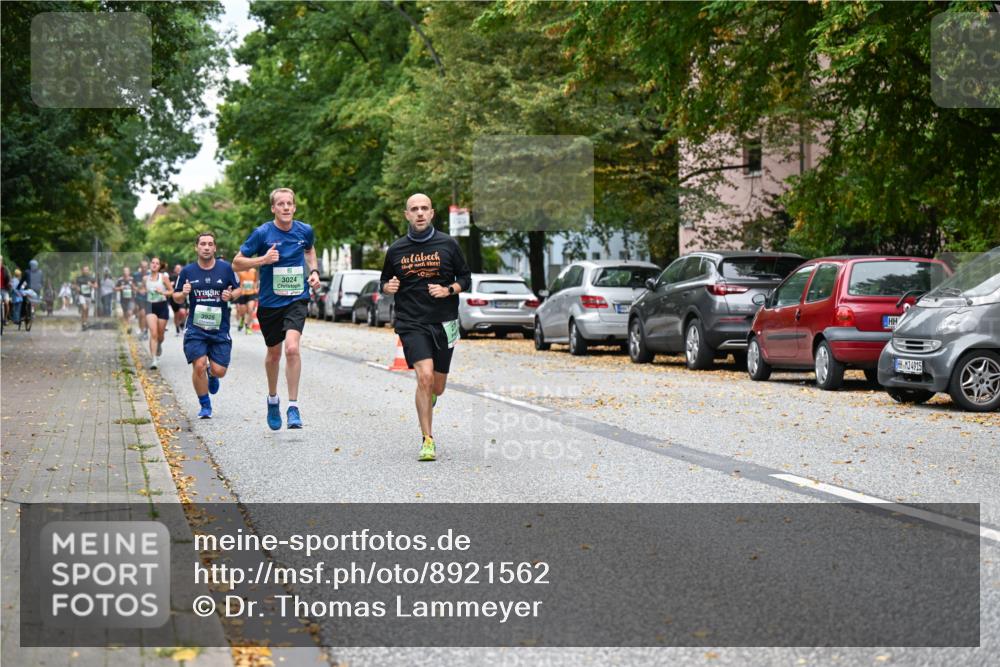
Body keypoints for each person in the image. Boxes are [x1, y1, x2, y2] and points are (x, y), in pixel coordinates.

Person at [380, 193, 471, 461]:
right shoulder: (396, 249)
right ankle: (427, 440)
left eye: (424, 209)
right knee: (425, 377)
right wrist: (388, 287)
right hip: (411, 322)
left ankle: (429, 397)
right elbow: (384, 281)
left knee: (438, 387)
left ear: (432, 213)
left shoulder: (448, 244)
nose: (419, 213)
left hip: (444, 320)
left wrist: (448, 289)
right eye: (414, 209)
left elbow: (465, 278)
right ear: (407, 214)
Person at [232, 187, 321, 430]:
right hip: (270, 303)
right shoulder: (262, 233)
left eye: (289, 203)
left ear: (294, 207)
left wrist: (313, 271)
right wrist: (262, 260)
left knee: (292, 349)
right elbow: (237, 262)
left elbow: (310, 250)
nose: (285, 207)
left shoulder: (305, 231)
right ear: (273, 208)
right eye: (280, 204)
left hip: (296, 299)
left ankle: (293, 406)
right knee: (274, 355)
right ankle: (273, 399)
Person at [173, 233, 242, 419]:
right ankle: (205, 405)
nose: (206, 247)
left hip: (220, 328)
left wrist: (231, 296)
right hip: (196, 328)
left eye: (210, 244)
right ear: (196, 247)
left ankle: (212, 375)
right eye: (202, 244)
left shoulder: (227, 269)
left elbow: (238, 288)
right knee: (199, 366)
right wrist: (183, 293)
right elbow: (176, 296)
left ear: (215, 248)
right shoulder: (187, 272)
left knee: (219, 371)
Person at [140, 257, 173, 369]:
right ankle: (154, 360)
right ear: (150, 265)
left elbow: (171, 291)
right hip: (150, 306)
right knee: (153, 333)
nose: (154, 265)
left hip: (162, 307)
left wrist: (162, 292)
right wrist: (143, 291)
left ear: (159, 266)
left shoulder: (163, 277)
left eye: (157, 263)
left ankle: (159, 344)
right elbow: (143, 289)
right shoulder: (145, 278)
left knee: (160, 335)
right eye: (153, 263)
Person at [235, 266, 259, 333]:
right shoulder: (239, 271)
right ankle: (242, 319)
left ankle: (248, 327)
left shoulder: (253, 271)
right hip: (242, 294)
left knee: (250, 309)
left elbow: (256, 280)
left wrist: (255, 288)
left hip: (251, 293)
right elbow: (236, 282)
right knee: (242, 312)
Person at [74, 265, 97, 330]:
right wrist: (77, 288)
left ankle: (84, 322)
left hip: (88, 296)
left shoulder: (91, 278)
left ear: (88, 270)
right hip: (82, 295)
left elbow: (96, 286)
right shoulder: (79, 278)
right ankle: (84, 323)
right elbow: (75, 285)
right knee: (84, 308)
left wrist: (91, 285)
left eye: (87, 270)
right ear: (82, 271)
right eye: (84, 270)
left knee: (86, 310)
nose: (85, 271)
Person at [115, 266, 136, 333]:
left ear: (129, 272)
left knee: (129, 312)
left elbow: (136, 287)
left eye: (127, 271)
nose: (125, 272)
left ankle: (129, 327)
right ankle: (127, 326)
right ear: (123, 272)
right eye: (124, 271)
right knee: (125, 314)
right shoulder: (120, 280)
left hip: (131, 299)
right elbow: (115, 288)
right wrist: (120, 288)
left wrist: (133, 286)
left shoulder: (132, 279)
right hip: (123, 299)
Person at [169, 263, 188, 336]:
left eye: (179, 268)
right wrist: (171, 284)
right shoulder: (171, 277)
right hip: (173, 298)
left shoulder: (184, 276)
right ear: (174, 270)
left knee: (183, 312)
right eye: (176, 268)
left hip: (182, 297)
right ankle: (177, 329)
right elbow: (168, 286)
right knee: (176, 314)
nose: (178, 270)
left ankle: (182, 324)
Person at [134, 259, 150, 340]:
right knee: (142, 314)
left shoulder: (150, 274)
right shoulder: (136, 275)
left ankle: (145, 330)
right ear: (140, 267)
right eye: (142, 267)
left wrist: (146, 290)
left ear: (147, 267)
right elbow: (133, 284)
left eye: (145, 267)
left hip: (149, 298)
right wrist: (138, 289)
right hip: (140, 297)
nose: (144, 268)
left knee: (146, 315)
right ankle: (142, 331)